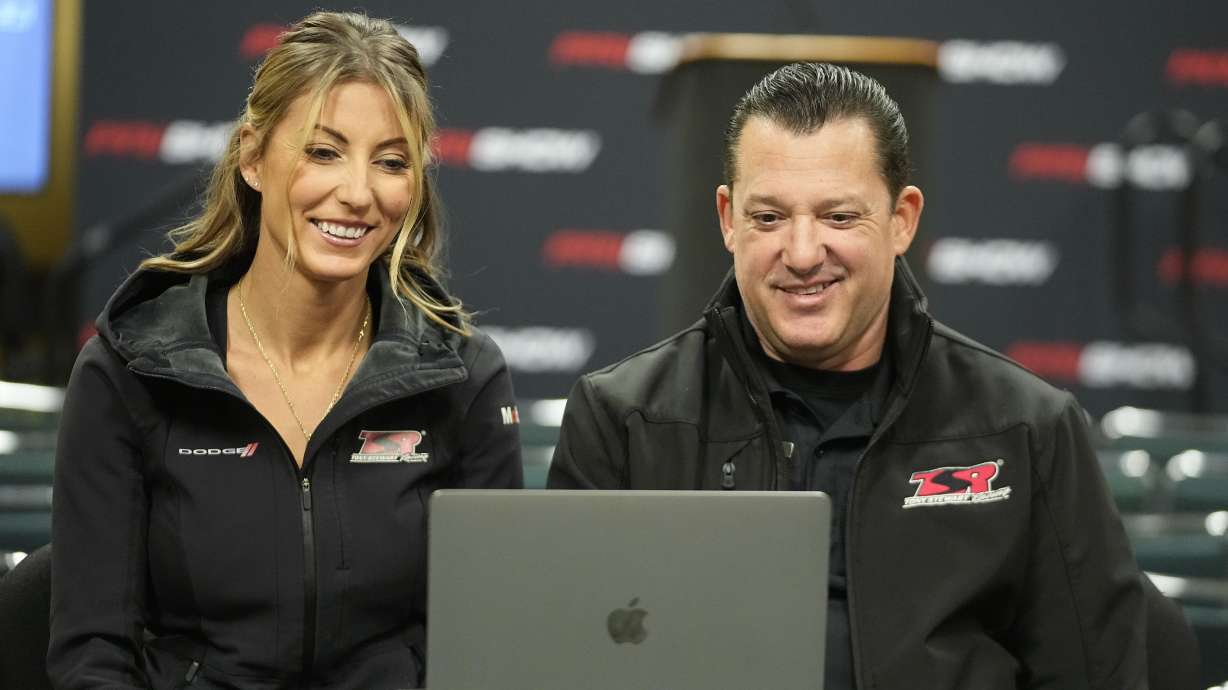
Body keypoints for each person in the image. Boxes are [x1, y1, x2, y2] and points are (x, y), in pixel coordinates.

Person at [548, 63, 1146, 688]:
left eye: (838, 217)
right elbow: (564, 664)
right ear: (728, 219)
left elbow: (1100, 674)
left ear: (902, 219)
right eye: (769, 217)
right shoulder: (621, 420)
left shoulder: (1027, 428)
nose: (803, 254)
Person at [48, 12, 523, 689]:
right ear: (252, 156)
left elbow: (490, 650)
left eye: (391, 162)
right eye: (323, 152)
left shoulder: (464, 379)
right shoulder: (130, 371)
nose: (358, 193)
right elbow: (92, 655)